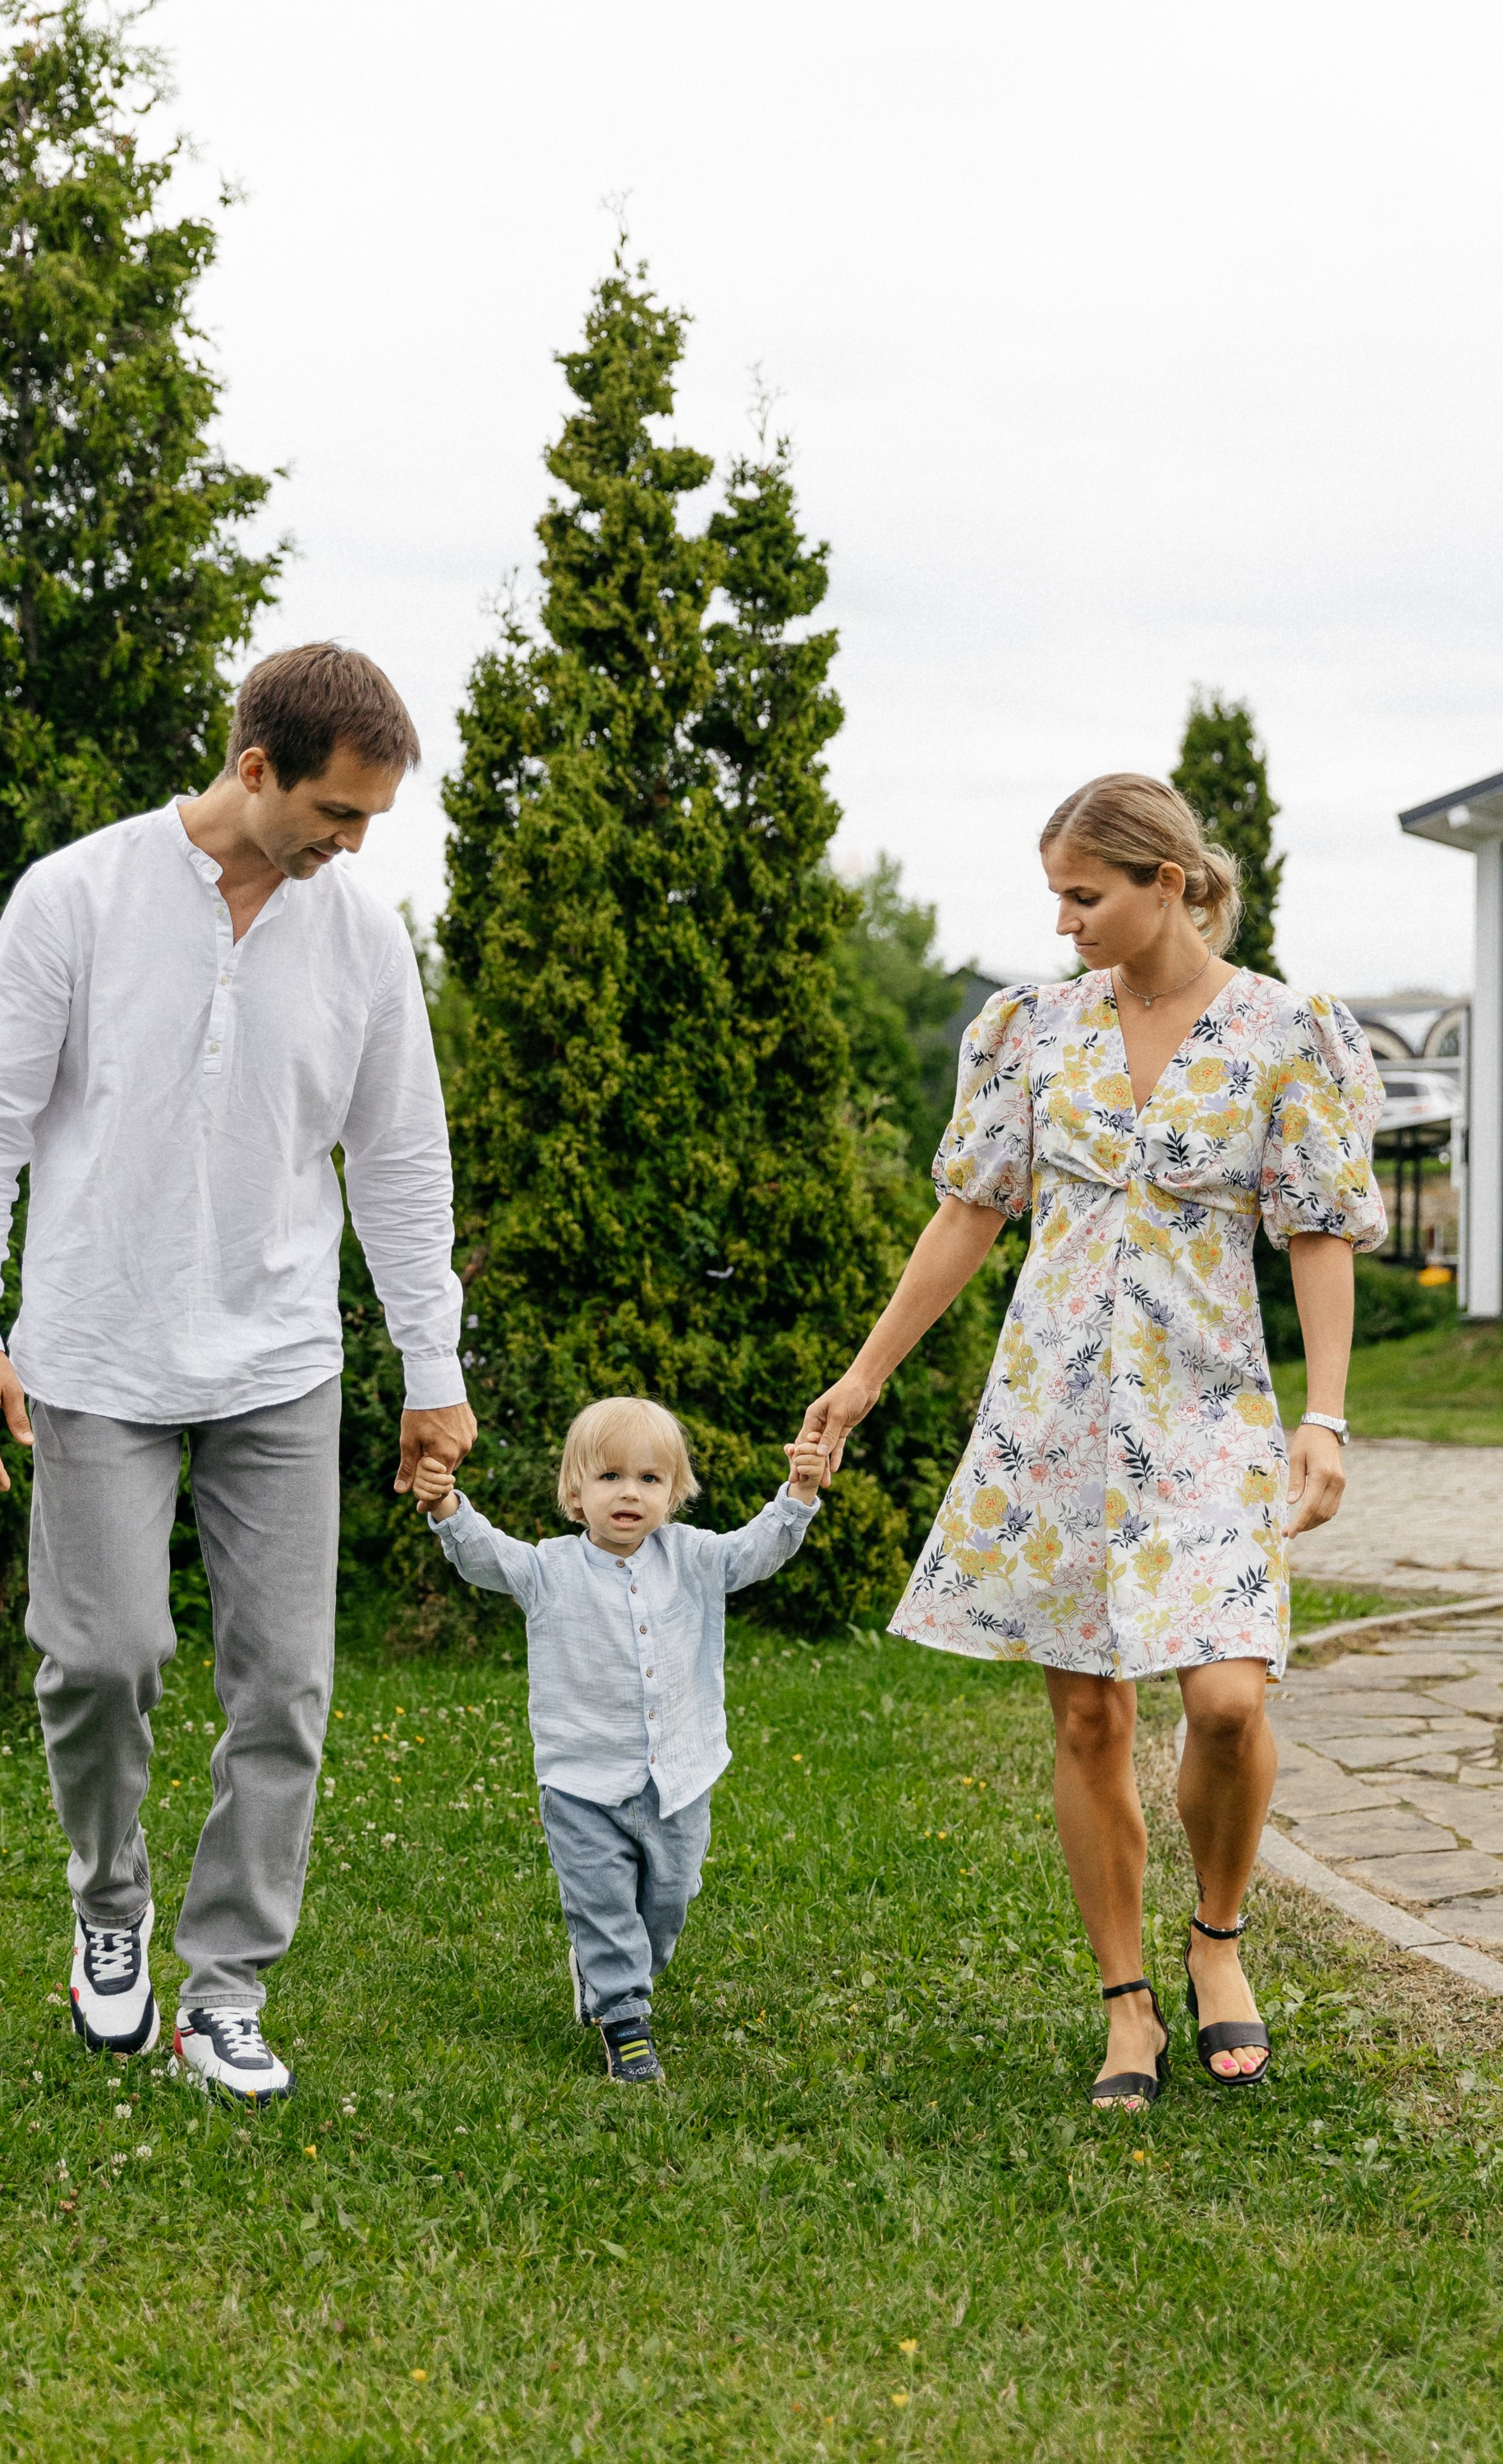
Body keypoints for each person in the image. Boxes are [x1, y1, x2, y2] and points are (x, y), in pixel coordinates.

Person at [0, 643, 476, 2104]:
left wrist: (433, 1363)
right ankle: (111, 1911)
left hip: (279, 1359)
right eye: (339, 815)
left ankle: (225, 1992)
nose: (354, 847)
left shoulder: (360, 940)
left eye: (370, 824)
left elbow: (403, 1161)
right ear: (253, 770)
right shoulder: (78, 897)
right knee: (102, 1662)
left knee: (283, 1688)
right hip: (94, 1350)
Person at [797, 773, 1386, 2111]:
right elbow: (969, 1213)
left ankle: (1217, 1940)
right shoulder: (1028, 1032)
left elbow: (1319, 1231)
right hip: (1053, 1413)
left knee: (1229, 1703)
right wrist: (862, 1379)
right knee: (1089, 1716)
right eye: (1053, 895)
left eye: (1085, 894)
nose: (1061, 921)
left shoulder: (1286, 1033)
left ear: (1166, 883)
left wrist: (1328, 1415)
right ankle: (1127, 2000)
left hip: (1208, 1407)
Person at [411, 1399, 826, 2083]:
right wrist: (448, 1505)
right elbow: (486, 1556)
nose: (629, 1492)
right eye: (608, 1477)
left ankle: (620, 1967)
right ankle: (623, 2014)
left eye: (649, 1479)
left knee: (668, 1902)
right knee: (603, 1904)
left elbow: (759, 1549)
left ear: (675, 1492)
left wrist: (800, 1494)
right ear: (576, 1494)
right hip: (582, 1784)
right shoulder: (549, 1570)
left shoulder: (696, 1559)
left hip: (679, 1779)